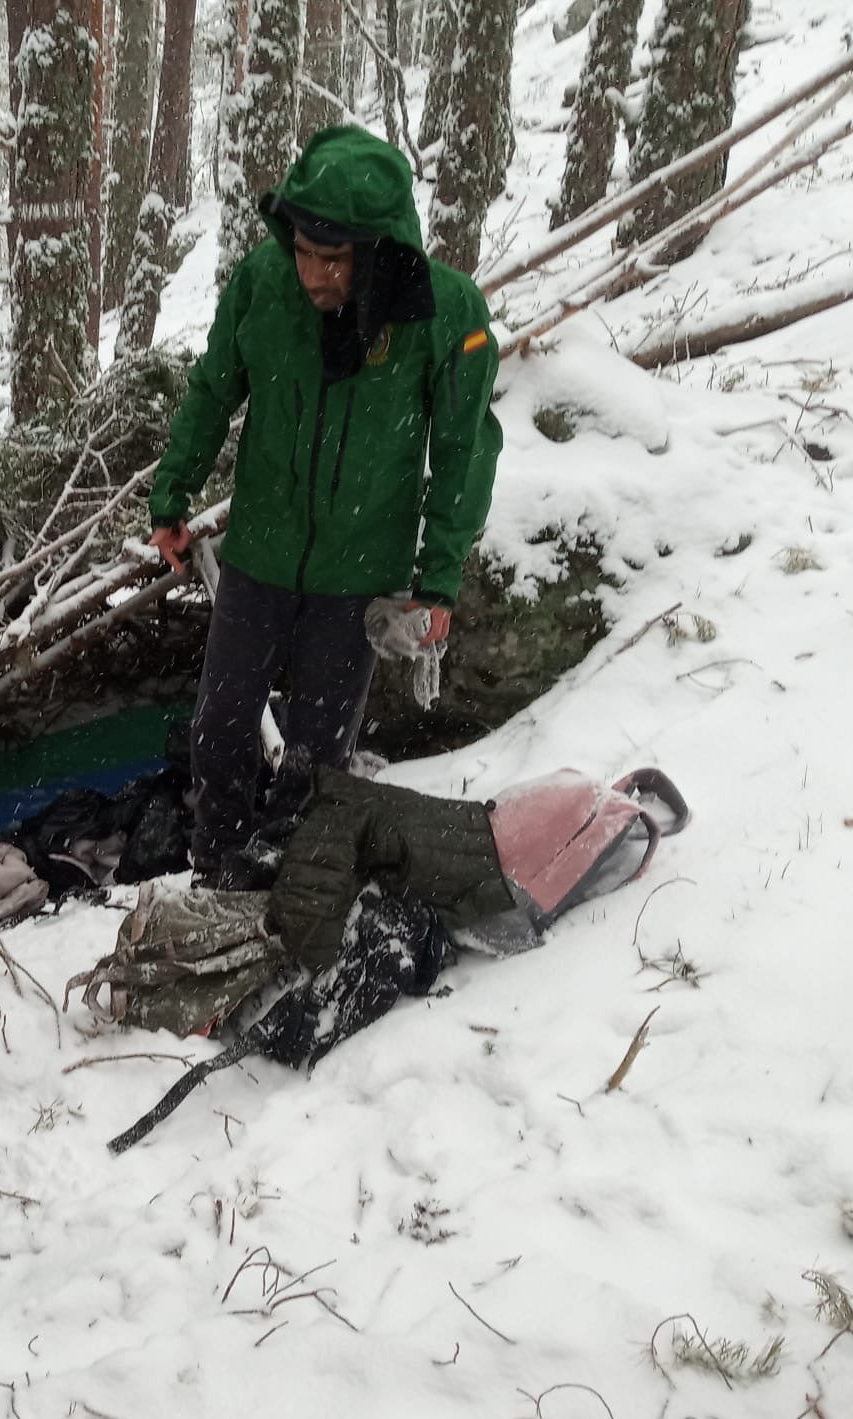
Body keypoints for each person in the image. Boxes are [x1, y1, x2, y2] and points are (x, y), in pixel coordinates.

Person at [145, 124, 505, 885]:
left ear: (375, 250)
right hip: (260, 556)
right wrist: (170, 495)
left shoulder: (443, 314)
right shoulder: (263, 287)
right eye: (304, 250)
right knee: (219, 732)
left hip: (358, 573)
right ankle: (219, 875)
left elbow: (465, 454)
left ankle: (290, 890)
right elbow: (213, 392)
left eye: (333, 258)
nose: (313, 273)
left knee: (315, 755)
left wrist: (438, 577)